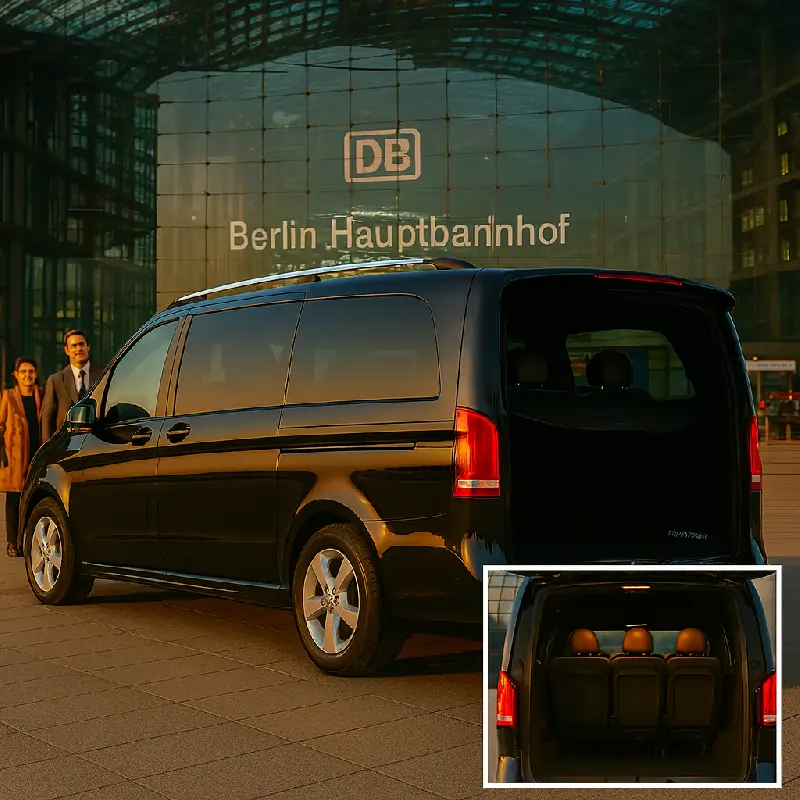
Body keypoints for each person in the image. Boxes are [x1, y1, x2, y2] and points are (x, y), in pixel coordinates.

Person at [0, 357, 42, 557]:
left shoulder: (40, 395)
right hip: (14, 456)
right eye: (23, 371)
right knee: (13, 500)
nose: (28, 375)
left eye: (31, 371)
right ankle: (12, 543)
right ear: (15, 375)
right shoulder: (7, 397)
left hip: (37, 454)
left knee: (34, 498)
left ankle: (28, 539)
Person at [42, 329, 93, 442]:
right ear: (67, 350)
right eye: (74, 345)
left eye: (81, 344)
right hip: (65, 444)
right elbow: (47, 416)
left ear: (88, 347)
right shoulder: (55, 380)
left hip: (95, 442)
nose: (78, 349)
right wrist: (47, 448)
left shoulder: (103, 374)